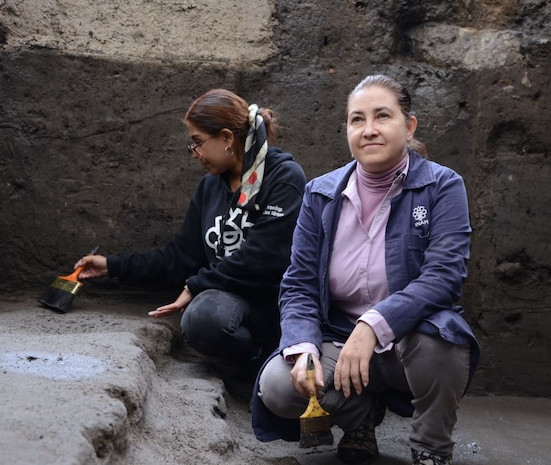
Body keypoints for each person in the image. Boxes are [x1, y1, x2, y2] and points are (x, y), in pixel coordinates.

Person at [252, 74, 480, 465]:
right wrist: (304, 345)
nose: (369, 130)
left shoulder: (442, 186)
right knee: (278, 384)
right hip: (339, 342)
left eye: (382, 117)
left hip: (410, 342)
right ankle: (360, 420)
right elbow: (299, 285)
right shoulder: (321, 194)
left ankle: (430, 448)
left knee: (444, 344)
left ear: (409, 127)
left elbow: (444, 276)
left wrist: (373, 325)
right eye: (357, 119)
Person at [74, 88, 306, 393]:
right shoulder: (210, 187)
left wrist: (197, 285)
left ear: (226, 138)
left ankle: (271, 355)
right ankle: (252, 360)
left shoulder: (284, 177)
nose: (194, 152)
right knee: (201, 322)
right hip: (231, 299)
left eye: (197, 142)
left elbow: (265, 256)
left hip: (274, 302)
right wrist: (113, 266)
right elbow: (181, 255)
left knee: (204, 315)